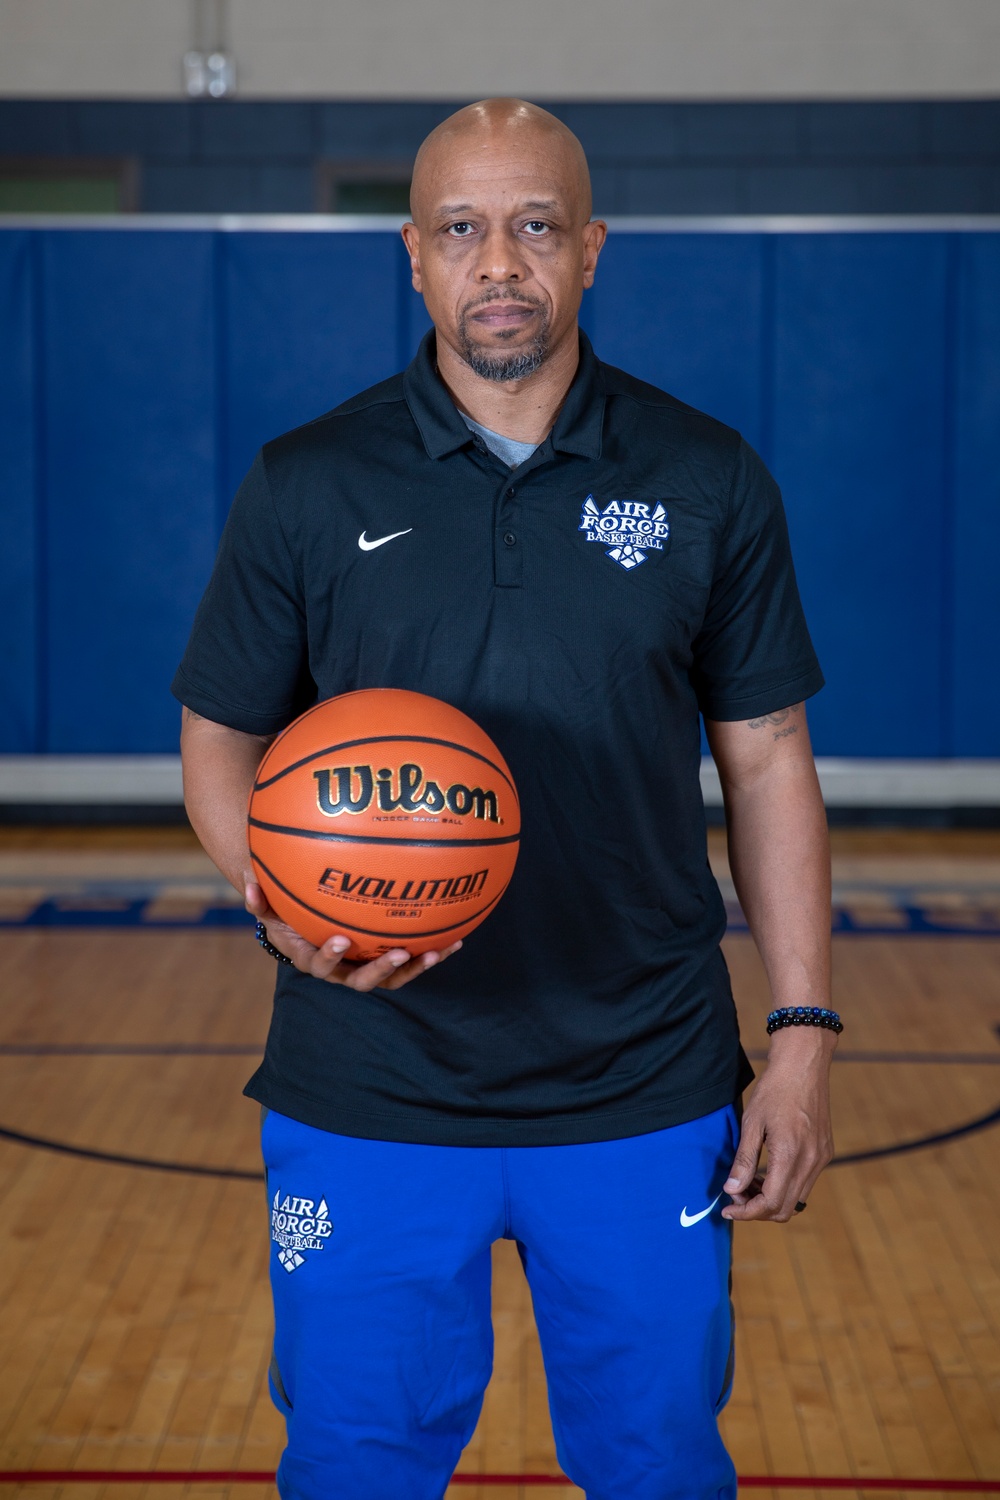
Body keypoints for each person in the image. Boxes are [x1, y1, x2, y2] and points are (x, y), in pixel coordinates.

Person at [174, 98, 837, 1500]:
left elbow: (768, 753)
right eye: (463, 231)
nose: (500, 264)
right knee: (354, 1467)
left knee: (658, 1466)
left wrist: (801, 1035)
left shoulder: (704, 473)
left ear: (590, 249)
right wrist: (280, 902)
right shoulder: (307, 481)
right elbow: (218, 737)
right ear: (413, 258)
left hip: (641, 1079)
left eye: (535, 227)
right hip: (369, 1079)